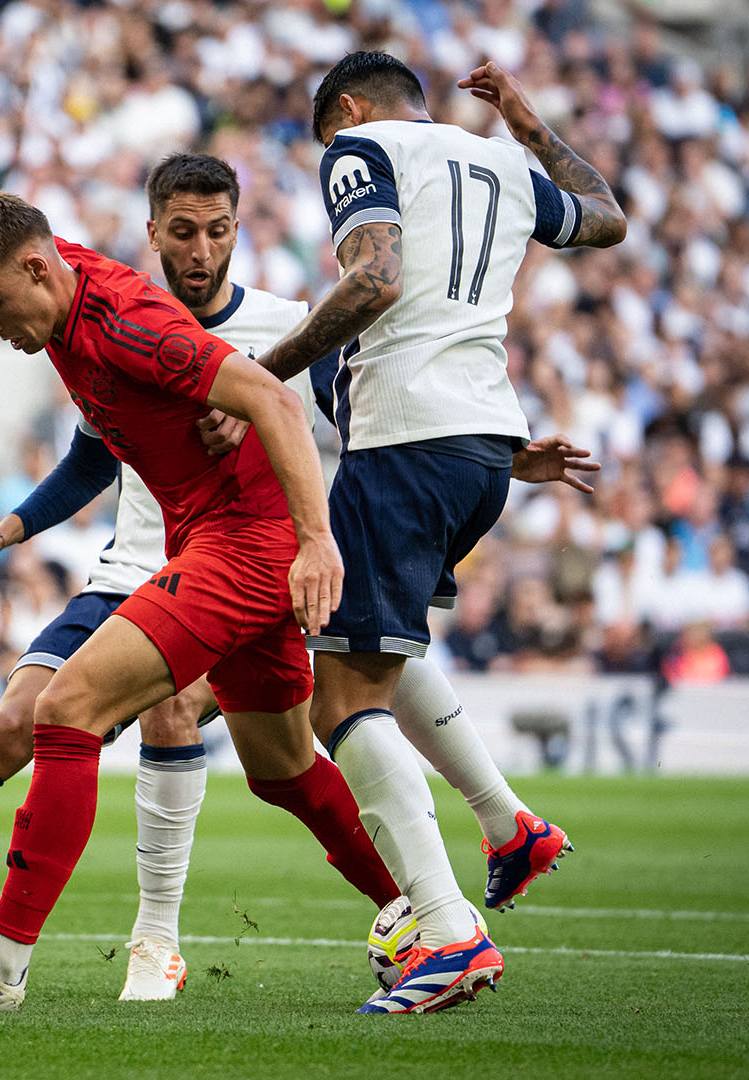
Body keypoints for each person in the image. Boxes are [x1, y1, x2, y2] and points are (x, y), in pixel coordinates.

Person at [0, 152, 402, 1004]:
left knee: (64, 709)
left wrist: (316, 543)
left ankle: (1, 960)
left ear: (36, 272)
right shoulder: (49, 269)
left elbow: (277, 401)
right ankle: (427, 918)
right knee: (283, 767)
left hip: (242, 543)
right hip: (214, 539)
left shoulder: (131, 325)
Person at [249, 53, 624, 1013]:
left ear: (349, 108)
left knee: (338, 702)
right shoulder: (502, 160)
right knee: (373, 644)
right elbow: (607, 218)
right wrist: (532, 124)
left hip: (407, 439)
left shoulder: (360, 146)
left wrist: (270, 375)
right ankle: (511, 826)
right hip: (486, 446)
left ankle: (451, 935)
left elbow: (374, 277)